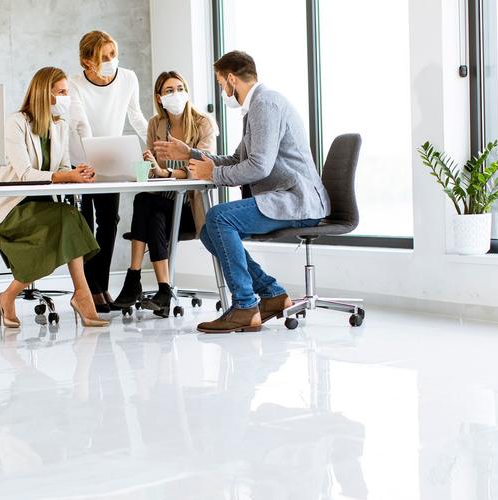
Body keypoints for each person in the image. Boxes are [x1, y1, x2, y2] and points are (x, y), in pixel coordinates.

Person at [154, 51, 330, 334]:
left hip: (297, 201)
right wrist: (191, 153)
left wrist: (211, 173)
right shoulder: (257, 108)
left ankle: (245, 305)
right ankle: (271, 293)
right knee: (209, 231)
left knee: (218, 218)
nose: (222, 90)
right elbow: (238, 160)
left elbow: (259, 166)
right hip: (284, 198)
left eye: (221, 83)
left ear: (232, 79)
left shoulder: (265, 105)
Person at [0, 66, 108, 329]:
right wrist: (67, 177)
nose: (66, 98)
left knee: (68, 220)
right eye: (61, 92)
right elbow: (26, 173)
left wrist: (78, 172)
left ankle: (12, 296)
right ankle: (81, 296)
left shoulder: (60, 127)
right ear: (44, 94)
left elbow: (61, 168)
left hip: (42, 206)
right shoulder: (16, 123)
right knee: (69, 219)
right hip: (10, 209)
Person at [112, 71, 216, 316]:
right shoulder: (155, 125)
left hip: (190, 208)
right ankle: (163, 290)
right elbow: (150, 172)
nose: (176, 94)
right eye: (169, 90)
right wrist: (143, 165)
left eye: (180, 88)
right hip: (162, 204)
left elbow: (199, 170)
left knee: (147, 204)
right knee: (149, 206)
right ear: (159, 98)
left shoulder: (203, 123)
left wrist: (165, 173)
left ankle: (133, 278)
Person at [68, 30, 150, 314]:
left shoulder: (127, 78)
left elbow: (136, 115)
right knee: (84, 225)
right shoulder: (75, 85)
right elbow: (81, 124)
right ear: (86, 61)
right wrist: (90, 154)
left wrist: (154, 143)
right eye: (103, 57)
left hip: (111, 160)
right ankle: (88, 291)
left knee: (109, 221)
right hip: (80, 162)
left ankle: (99, 286)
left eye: (113, 54)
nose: (110, 60)